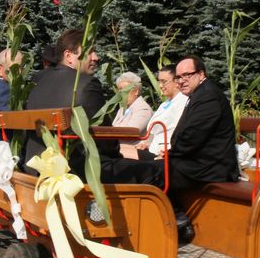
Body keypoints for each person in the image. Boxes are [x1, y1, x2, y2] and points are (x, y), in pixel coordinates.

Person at [24, 29, 161, 186]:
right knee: (157, 170)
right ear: (69, 56)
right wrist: (120, 154)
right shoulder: (86, 84)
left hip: (37, 167)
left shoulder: (37, 80)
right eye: (90, 52)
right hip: (76, 170)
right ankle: (176, 212)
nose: (96, 57)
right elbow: (106, 141)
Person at [158, 55, 240, 242]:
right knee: (148, 164)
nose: (182, 80)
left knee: (155, 172)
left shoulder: (208, 97)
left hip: (213, 166)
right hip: (200, 161)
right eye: (178, 77)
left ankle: (180, 222)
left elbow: (191, 138)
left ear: (201, 74)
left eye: (187, 74)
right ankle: (176, 218)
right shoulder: (199, 95)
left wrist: (169, 155)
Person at [126, 64, 188, 161]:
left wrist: (167, 152)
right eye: (159, 82)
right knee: (120, 149)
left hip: (164, 155)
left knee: (120, 151)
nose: (160, 86)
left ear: (176, 81)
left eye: (164, 82)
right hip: (152, 149)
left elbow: (180, 133)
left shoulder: (183, 102)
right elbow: (157, 133)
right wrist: (147, 144)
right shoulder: (164, 104)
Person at [113, 72, 153, 144]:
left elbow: (131, 132)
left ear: (136, 91)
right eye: (119, 89)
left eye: (124, 89)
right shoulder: (122, 109)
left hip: (134, 150)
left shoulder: (143, 109)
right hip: (119, 148)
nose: (120, 92)